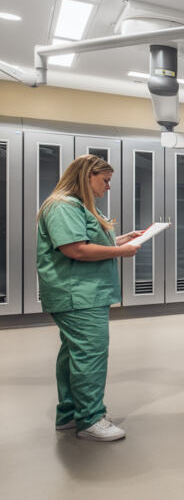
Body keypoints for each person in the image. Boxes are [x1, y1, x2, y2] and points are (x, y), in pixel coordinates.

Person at [36, 155, 144, 442]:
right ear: (86, 177)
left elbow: (89, 242)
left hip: (83, 294)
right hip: (77, 295)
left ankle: (70, 415)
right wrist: (121, 252)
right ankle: (91, 420)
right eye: (104, 180)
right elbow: (76, 250)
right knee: (90, 355)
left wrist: (122, 240)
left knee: (73, 355)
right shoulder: (63, 206)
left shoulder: (76, 207)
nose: (108, 187)